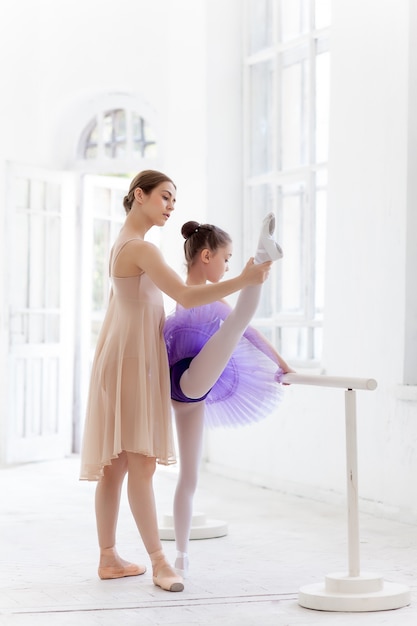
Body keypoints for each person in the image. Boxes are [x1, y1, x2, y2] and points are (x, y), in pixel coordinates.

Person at [79, 170, 272, 593]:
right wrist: (243, 280)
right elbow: (184, 296)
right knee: (140, 464)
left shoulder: (123, 245)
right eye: (164, 197)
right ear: (139, 196)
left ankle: (109, 557)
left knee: (116, 468)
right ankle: (160, 562)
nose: (170, 206)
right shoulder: (140, 248)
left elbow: (129, 308)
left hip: (121, 358)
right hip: (129, 362)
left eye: (173, 200)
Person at [163, 216, 294, 578]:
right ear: (206, 256)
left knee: (189, 478)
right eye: (226, 258)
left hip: (187, 395)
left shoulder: (195, 299)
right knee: (236, 323)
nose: (227, 265)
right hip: (185, 379)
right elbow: (242, 325)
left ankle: (181, 556)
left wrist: (284, 365)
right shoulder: (186, 295)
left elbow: (250, 333)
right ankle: (261, 254)